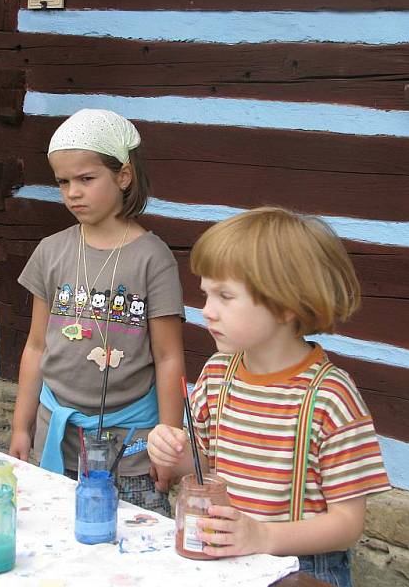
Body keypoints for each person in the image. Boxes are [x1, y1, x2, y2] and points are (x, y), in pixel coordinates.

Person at [147, 208, 391, 585]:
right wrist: (175, 457)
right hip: (223, 565)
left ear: (284, 304)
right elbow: (203, 471)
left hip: (301, 574)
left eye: (225, 296)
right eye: (206, 294)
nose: (207, 311)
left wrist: (262, 536)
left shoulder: (329, 398)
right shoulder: (217, 376)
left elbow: (348, 524)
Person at [9, 109, 186, 516]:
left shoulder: (152, 258)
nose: (73, 192)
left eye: (86, 179)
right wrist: (21, 426)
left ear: (123, 176)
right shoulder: (51, 252)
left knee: (135, 543)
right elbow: (36, 347)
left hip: (132, 446)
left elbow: (168, 356)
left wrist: (169, 440)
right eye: (63, 182)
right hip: (59, 436)